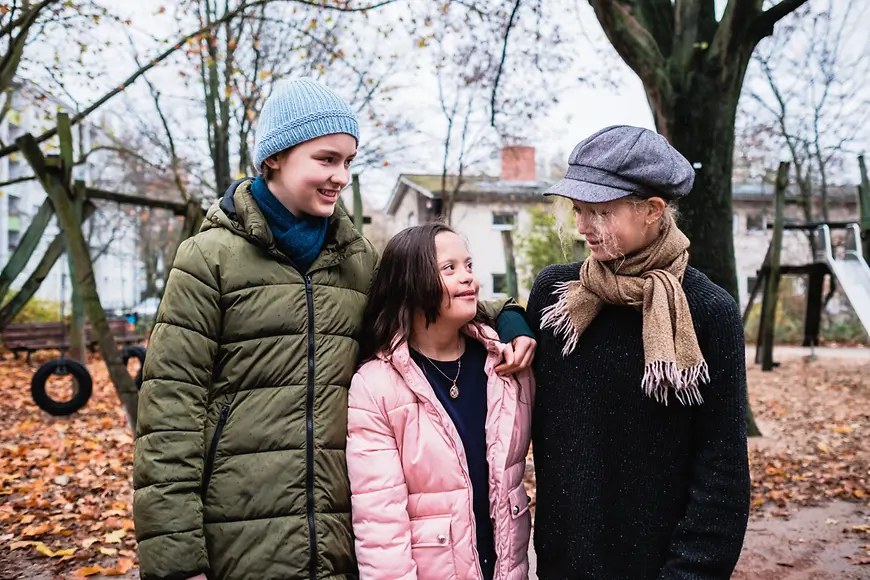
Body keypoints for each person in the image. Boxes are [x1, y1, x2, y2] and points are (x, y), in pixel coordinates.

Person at [132, 78, 536, 580]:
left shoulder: (356, 261)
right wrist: (176, 562)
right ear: (274, 158)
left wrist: (511, 315)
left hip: (338, 533)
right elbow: (170, 414)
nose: (340, 176)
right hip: (236, 532)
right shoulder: (208, 260)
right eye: (326, 159)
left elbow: (436, 294)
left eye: (348, 162)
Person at [527, 125, 750, 579]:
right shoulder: (557, 294)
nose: (583, 227)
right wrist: (510, 320)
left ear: (652, 210)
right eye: (578, 210)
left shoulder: (709, 311)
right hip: (562, 563)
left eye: (600, 212)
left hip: (662, 567)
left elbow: (722, 470)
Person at [347, 223, 534, 580]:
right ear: (410, 284)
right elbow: (381, 527)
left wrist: (515, 320)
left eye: (469, 266)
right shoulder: (376, 386)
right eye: (449, 269)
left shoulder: (505, 366)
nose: (468, 279)